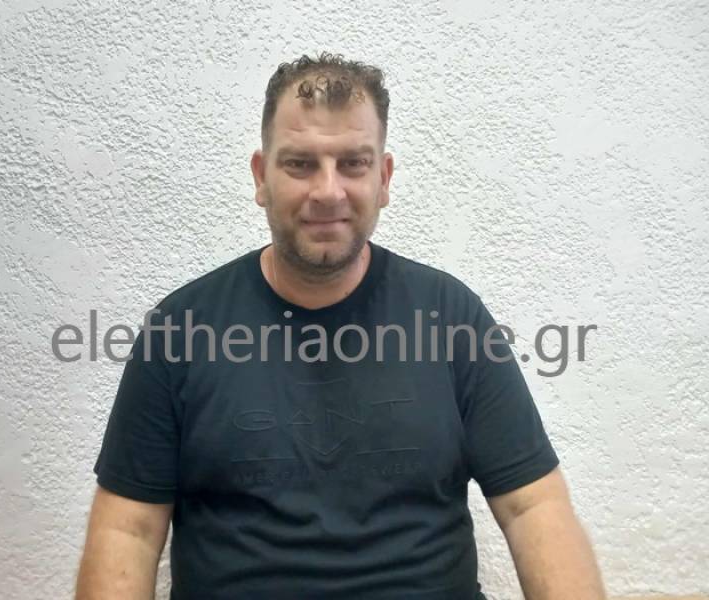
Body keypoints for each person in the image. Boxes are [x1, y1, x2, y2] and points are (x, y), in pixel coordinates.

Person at [75, 52, 606, 600]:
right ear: (261, 177)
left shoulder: (451, 317)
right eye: (300, 164)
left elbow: (532, 506)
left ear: (384, 178)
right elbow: (128, 531)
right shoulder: (179, 330)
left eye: (353, 163)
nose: (328, 192)